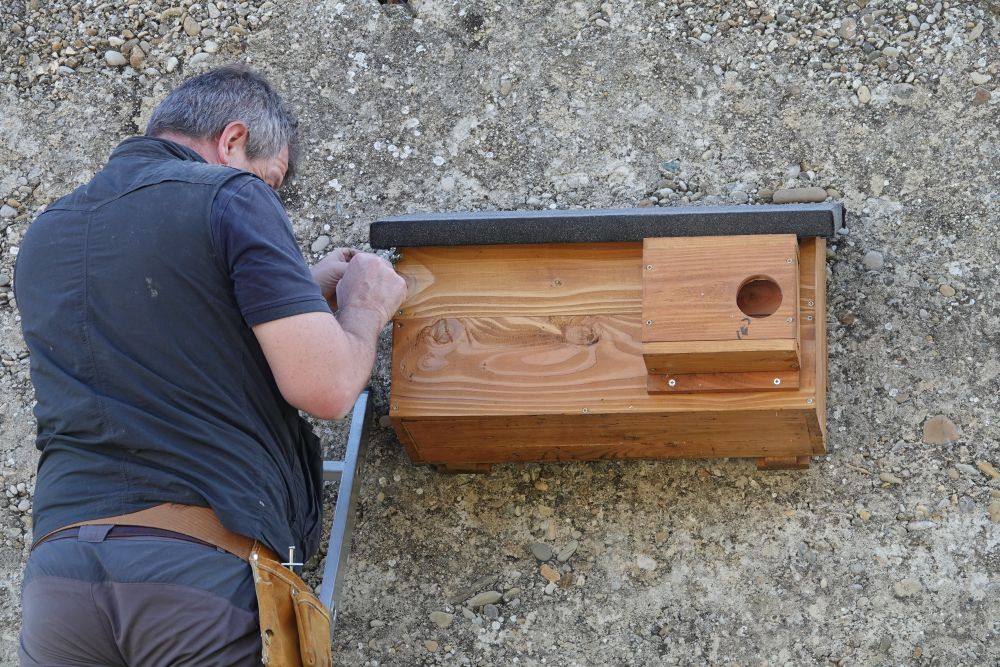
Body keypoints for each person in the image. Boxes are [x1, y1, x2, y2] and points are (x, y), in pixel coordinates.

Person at [14, 64, 406, 665]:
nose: (268, 197)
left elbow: (179, 333)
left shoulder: (48, 234)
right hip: (191, 575)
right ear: (232, 141)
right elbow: (325, 387)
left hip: (60, 581)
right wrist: (363, 308)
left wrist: (293, 289)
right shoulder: (231, 193)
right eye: (272, 182)